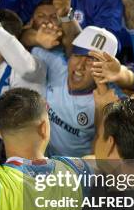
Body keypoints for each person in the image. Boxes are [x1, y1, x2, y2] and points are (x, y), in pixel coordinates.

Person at [42, 26, 119, 157]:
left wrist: (103, 110)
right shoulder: (56, 65)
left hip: (77, 169)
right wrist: (35, 38)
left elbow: (102, 153)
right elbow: (25, 43)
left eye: (91, 60)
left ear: (106, 69)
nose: (80, 66)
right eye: (77, 55)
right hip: (45, 157)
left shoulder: (110, 99)